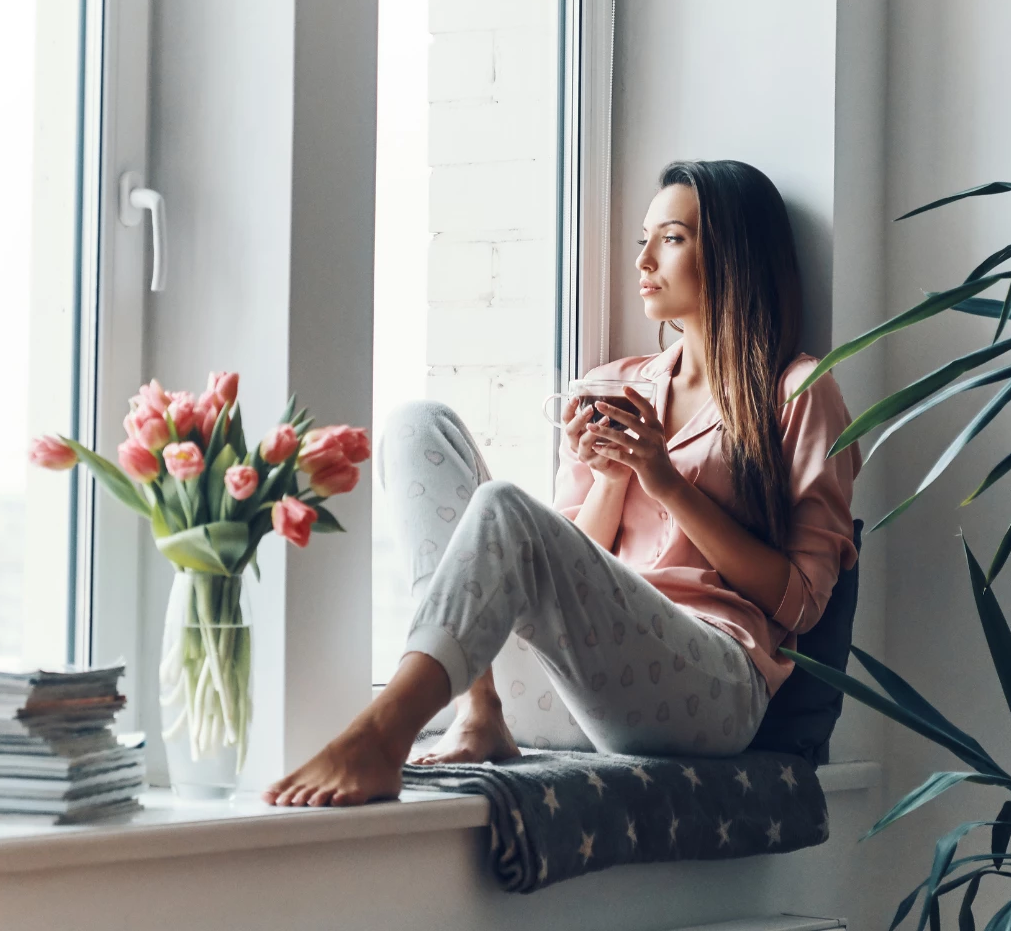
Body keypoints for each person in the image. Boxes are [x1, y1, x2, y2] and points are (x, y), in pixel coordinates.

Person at [264, 159, 860, 807]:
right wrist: (611, 478)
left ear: (735, 255)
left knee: (505, 507)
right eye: (644, 239)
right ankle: (478, 710)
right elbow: (561, 578)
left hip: (708, 688)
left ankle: (384, 734)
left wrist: (665, 483)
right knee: (418, 426)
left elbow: (802, 603)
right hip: (577, 692)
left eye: (673, 237)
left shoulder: (799, 391)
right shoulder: (613, 386)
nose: (645, 260)